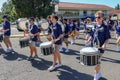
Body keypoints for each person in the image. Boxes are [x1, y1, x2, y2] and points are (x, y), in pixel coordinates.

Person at [85, 11, 110, 80]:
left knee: (96, 61)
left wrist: (104, 44)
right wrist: (88, 40)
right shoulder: (94, 26)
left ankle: (96, 75)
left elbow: (107, 38)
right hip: (93, 47)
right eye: (95, 17)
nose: (97, 18)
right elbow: (92, 35)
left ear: (102, 18)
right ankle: (99, 73)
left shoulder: (105, 27)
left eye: (98, 17)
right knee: (96, 62)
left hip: (100, 48)